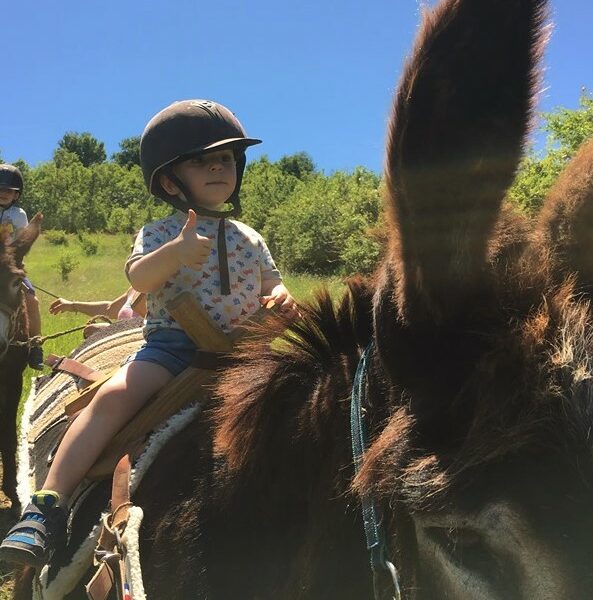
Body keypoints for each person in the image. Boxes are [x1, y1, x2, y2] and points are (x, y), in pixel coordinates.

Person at [0, 99, 298, 567]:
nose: (219, 166)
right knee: (113, 398)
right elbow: (139, 279)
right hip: (172, 348)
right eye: (202, 160)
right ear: (168, 180)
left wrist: (282, 297)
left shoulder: (249, 236)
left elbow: (272, 281)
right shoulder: (160, 232)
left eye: (227, 159)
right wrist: (176, 252)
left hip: (245, 353)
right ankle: (46, 508)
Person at [0, 164, 44, 370]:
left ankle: (35, 345)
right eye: (0, 189)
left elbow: (22, 241)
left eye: (9, 190)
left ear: (16, 195)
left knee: (31, 299)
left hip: (11, 266)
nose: (3, 194)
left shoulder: (19, 215)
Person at [49, 287, 146, 337]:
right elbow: (109, 309)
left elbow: (151, 327)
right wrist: (73, 305)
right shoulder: (134, 288)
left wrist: (111, 329)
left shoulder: (158, 289)